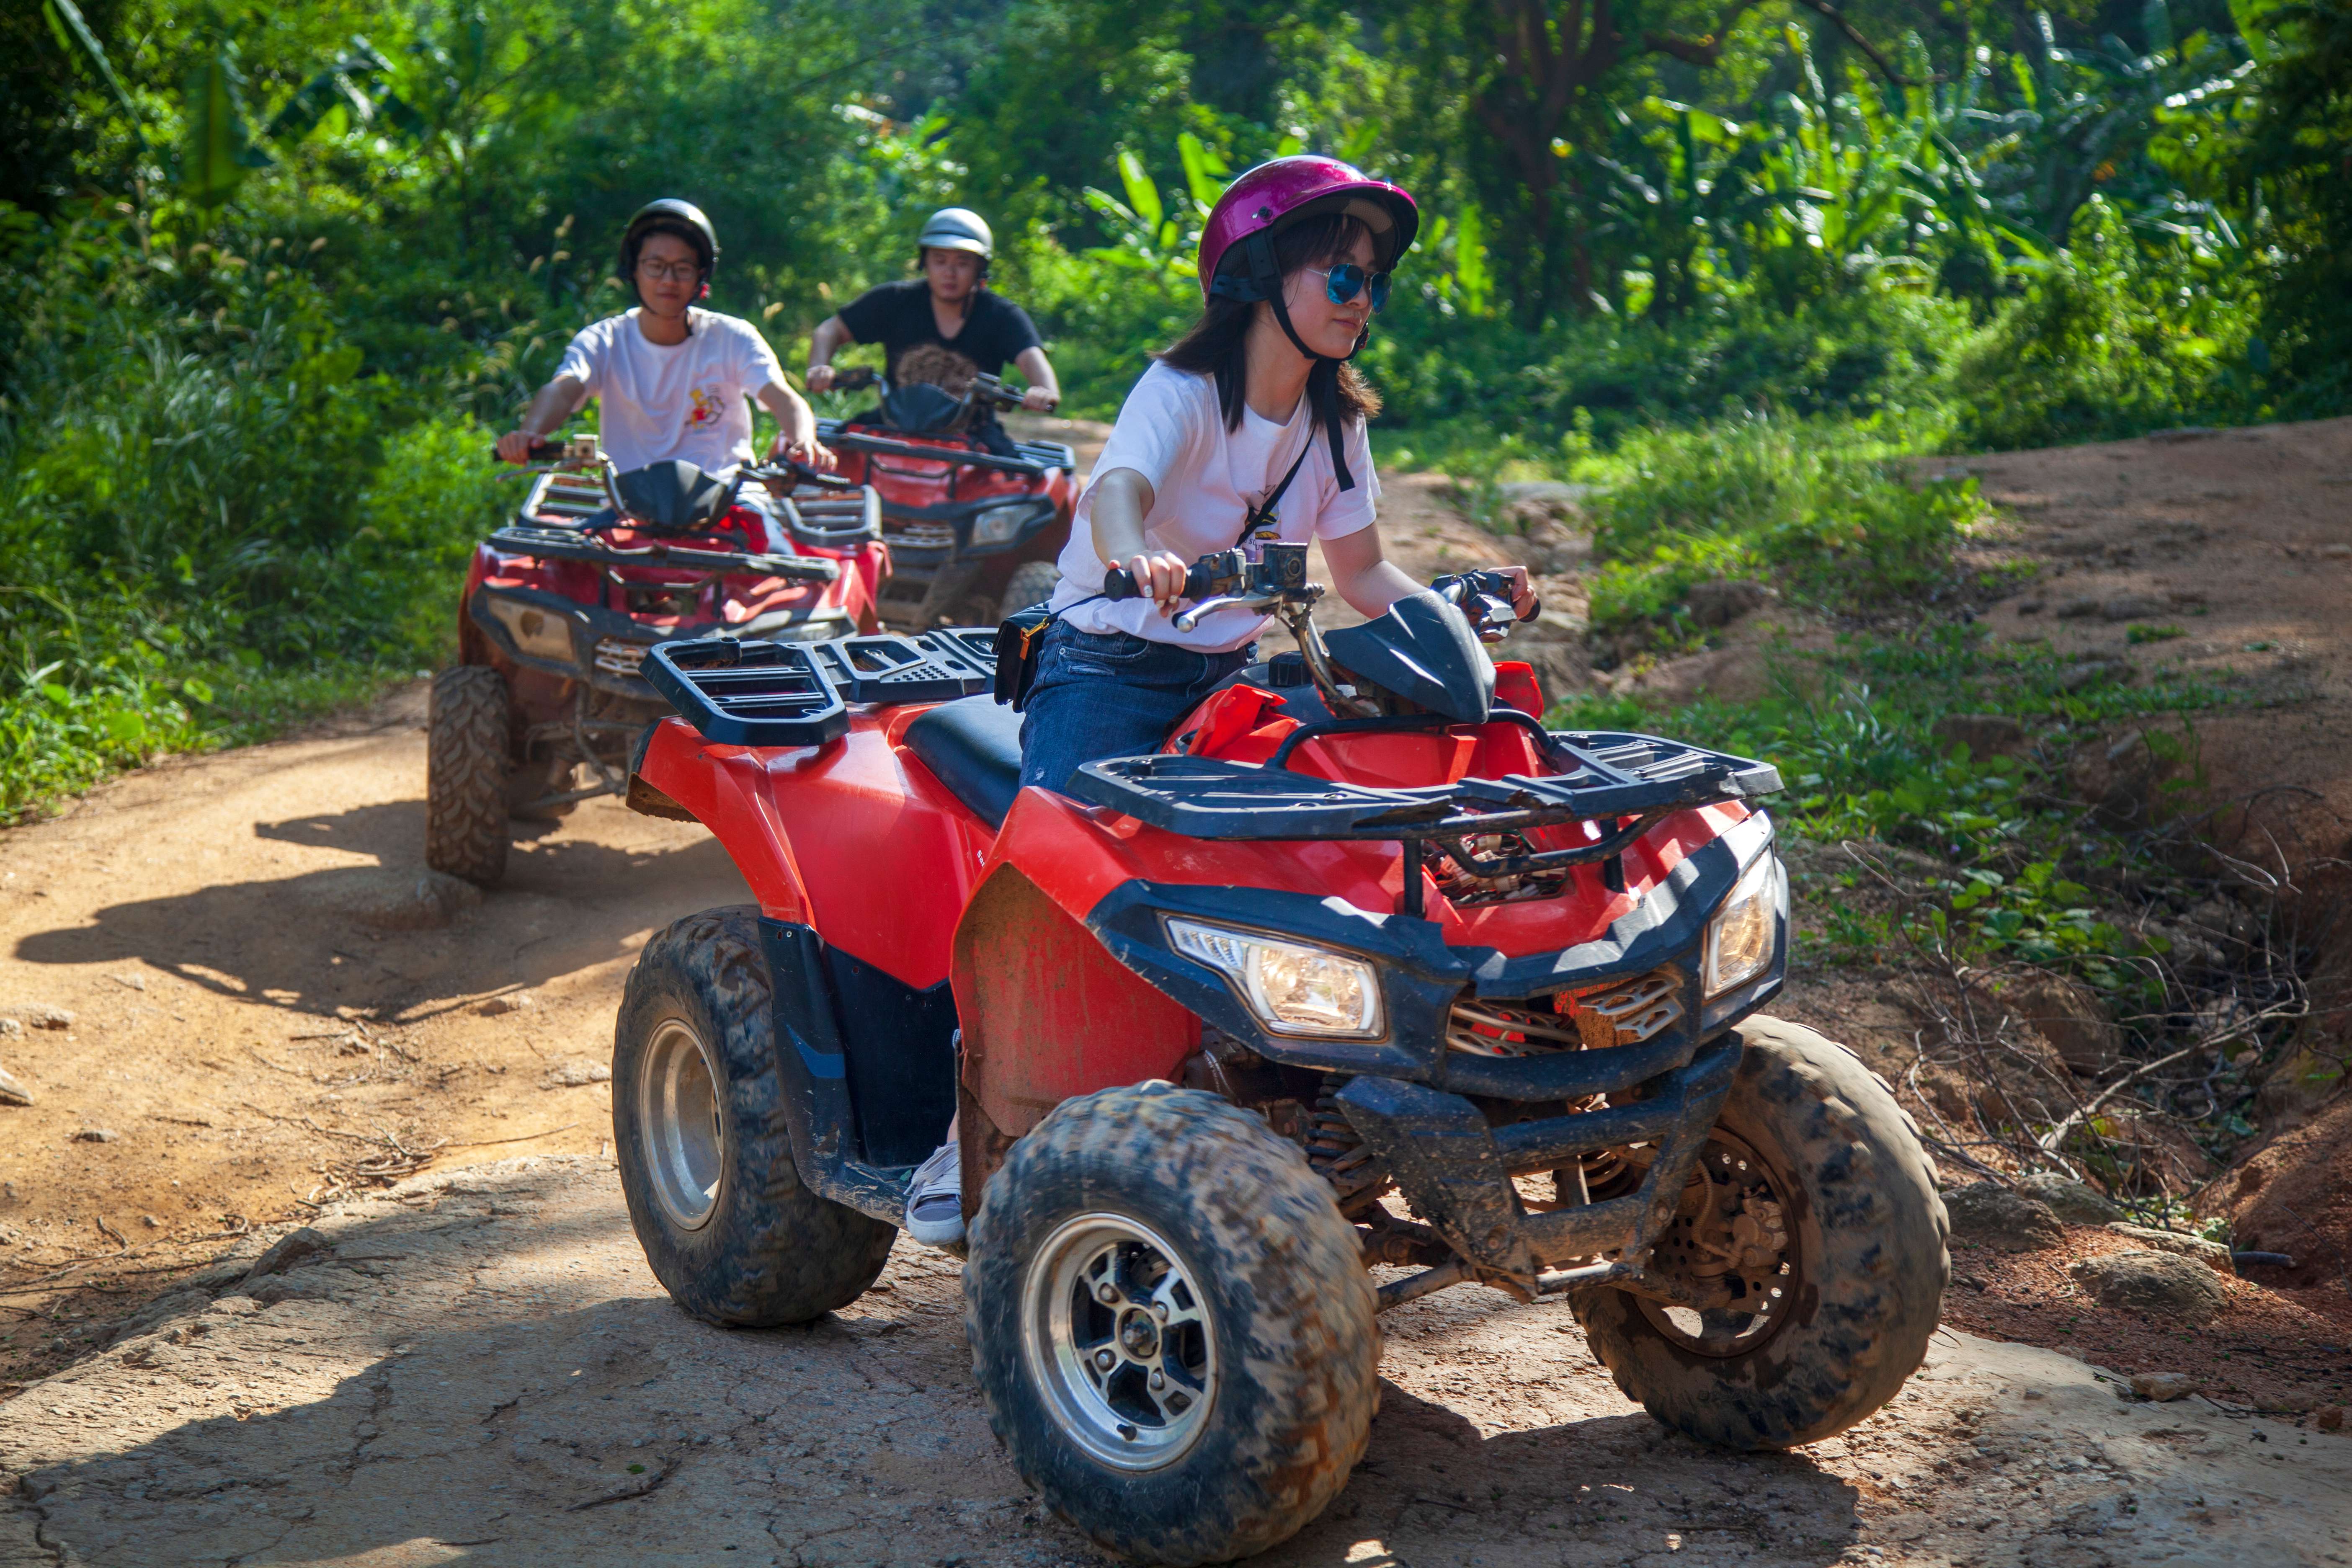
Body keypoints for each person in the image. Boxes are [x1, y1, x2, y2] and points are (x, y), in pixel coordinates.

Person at [900, 157, 1536, 1248]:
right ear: (1261, 274)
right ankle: (965, 1142)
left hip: (1225, 683)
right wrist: (1137, 553)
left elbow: (1365, 576)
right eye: (1341, 274)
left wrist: (1461, 612)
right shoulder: (1186, 394)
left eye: (1370, 280)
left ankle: (1289, 1096)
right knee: (1046, 904)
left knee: (1300, 889)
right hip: (1103, 672)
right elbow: (1119, 493)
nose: (1360, 298)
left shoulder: (1335, 424)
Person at [496, 199, 832, 476]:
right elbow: (564, 388)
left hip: (728, 496)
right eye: (655, 266)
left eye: (683, 269)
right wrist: (531, 433)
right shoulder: (603, 341)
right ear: (633, 269)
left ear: (701, 277)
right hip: (628, 504)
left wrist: (805, 440)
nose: (668, 280)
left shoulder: (733, 337)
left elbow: (785, 399)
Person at [804, 208, 1062, 447]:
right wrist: (819, 368)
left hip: (971, 435)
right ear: (924, 262)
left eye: (962, 263)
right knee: (817, 461)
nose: (950, 273)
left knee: (1026, 489)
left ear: (980, 269)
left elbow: (1035, 363)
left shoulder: (1002, 316)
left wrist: (1044, 392)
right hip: (892, 426)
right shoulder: (895, 301)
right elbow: (829, 331)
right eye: (940, 260)